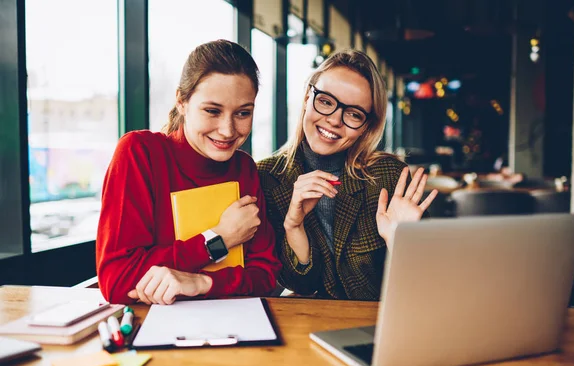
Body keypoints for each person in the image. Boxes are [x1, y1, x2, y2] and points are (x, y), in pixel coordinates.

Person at [97, 40, 281, 305]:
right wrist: (218, 239)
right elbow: (117, 281)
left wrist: (201, 283)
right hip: (155, 329)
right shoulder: (139, 153)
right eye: (212, 111)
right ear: (182, 102)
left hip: (237, 324)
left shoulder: (244, 168)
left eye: (243, 113)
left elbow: (265, 276)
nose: (228, 130)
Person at [257, 49, 437, 301]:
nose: (334, 120)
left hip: (383, 322)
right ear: (308, 97)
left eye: (353, 114)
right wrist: (293, 226)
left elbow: (431, 284)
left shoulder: (388, 177)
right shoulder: (267, 177)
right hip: (312, 324)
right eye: (326, 101)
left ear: (366, 126)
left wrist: (400, 241)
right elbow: (302, 284)